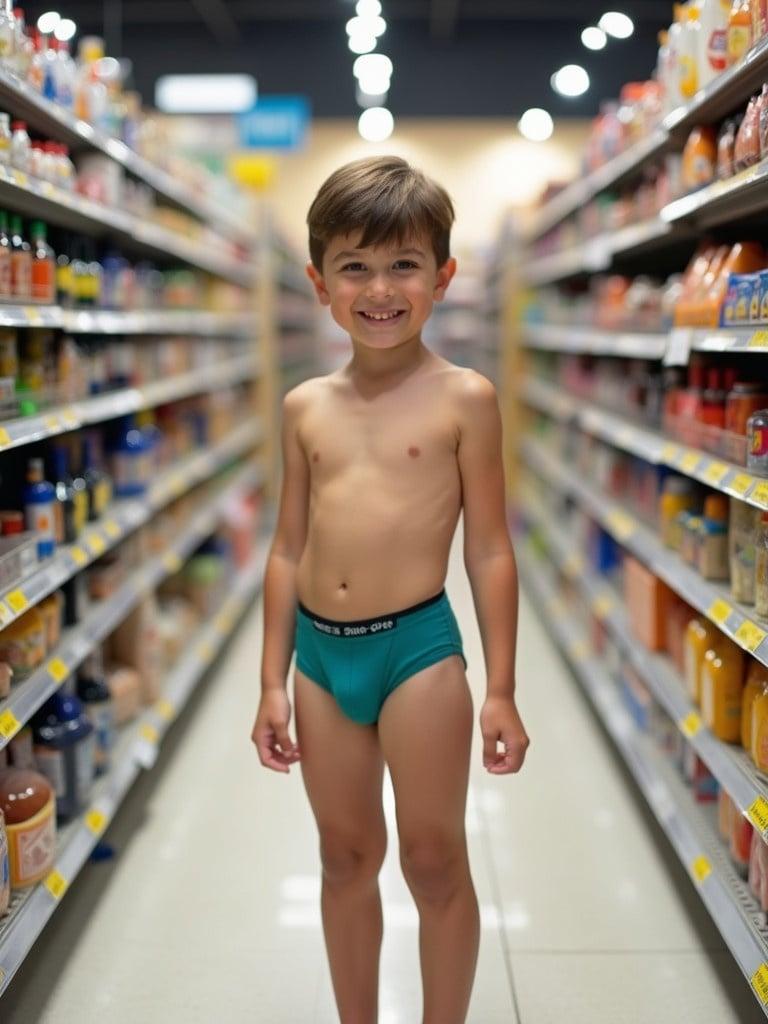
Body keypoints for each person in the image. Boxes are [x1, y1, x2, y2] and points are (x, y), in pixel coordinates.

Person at [251, 155, 529, 1024]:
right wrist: (270, 679)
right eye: (355, 267)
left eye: (404, 264)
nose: (380, 289)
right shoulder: (304, 407)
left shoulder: (465, 398)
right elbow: (288, 547)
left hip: (418, 653)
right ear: (319, 283)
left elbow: (489, 549)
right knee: (343, 856)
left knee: (435, 859)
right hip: (320, 660)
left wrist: (504, 687)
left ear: (443, 278)